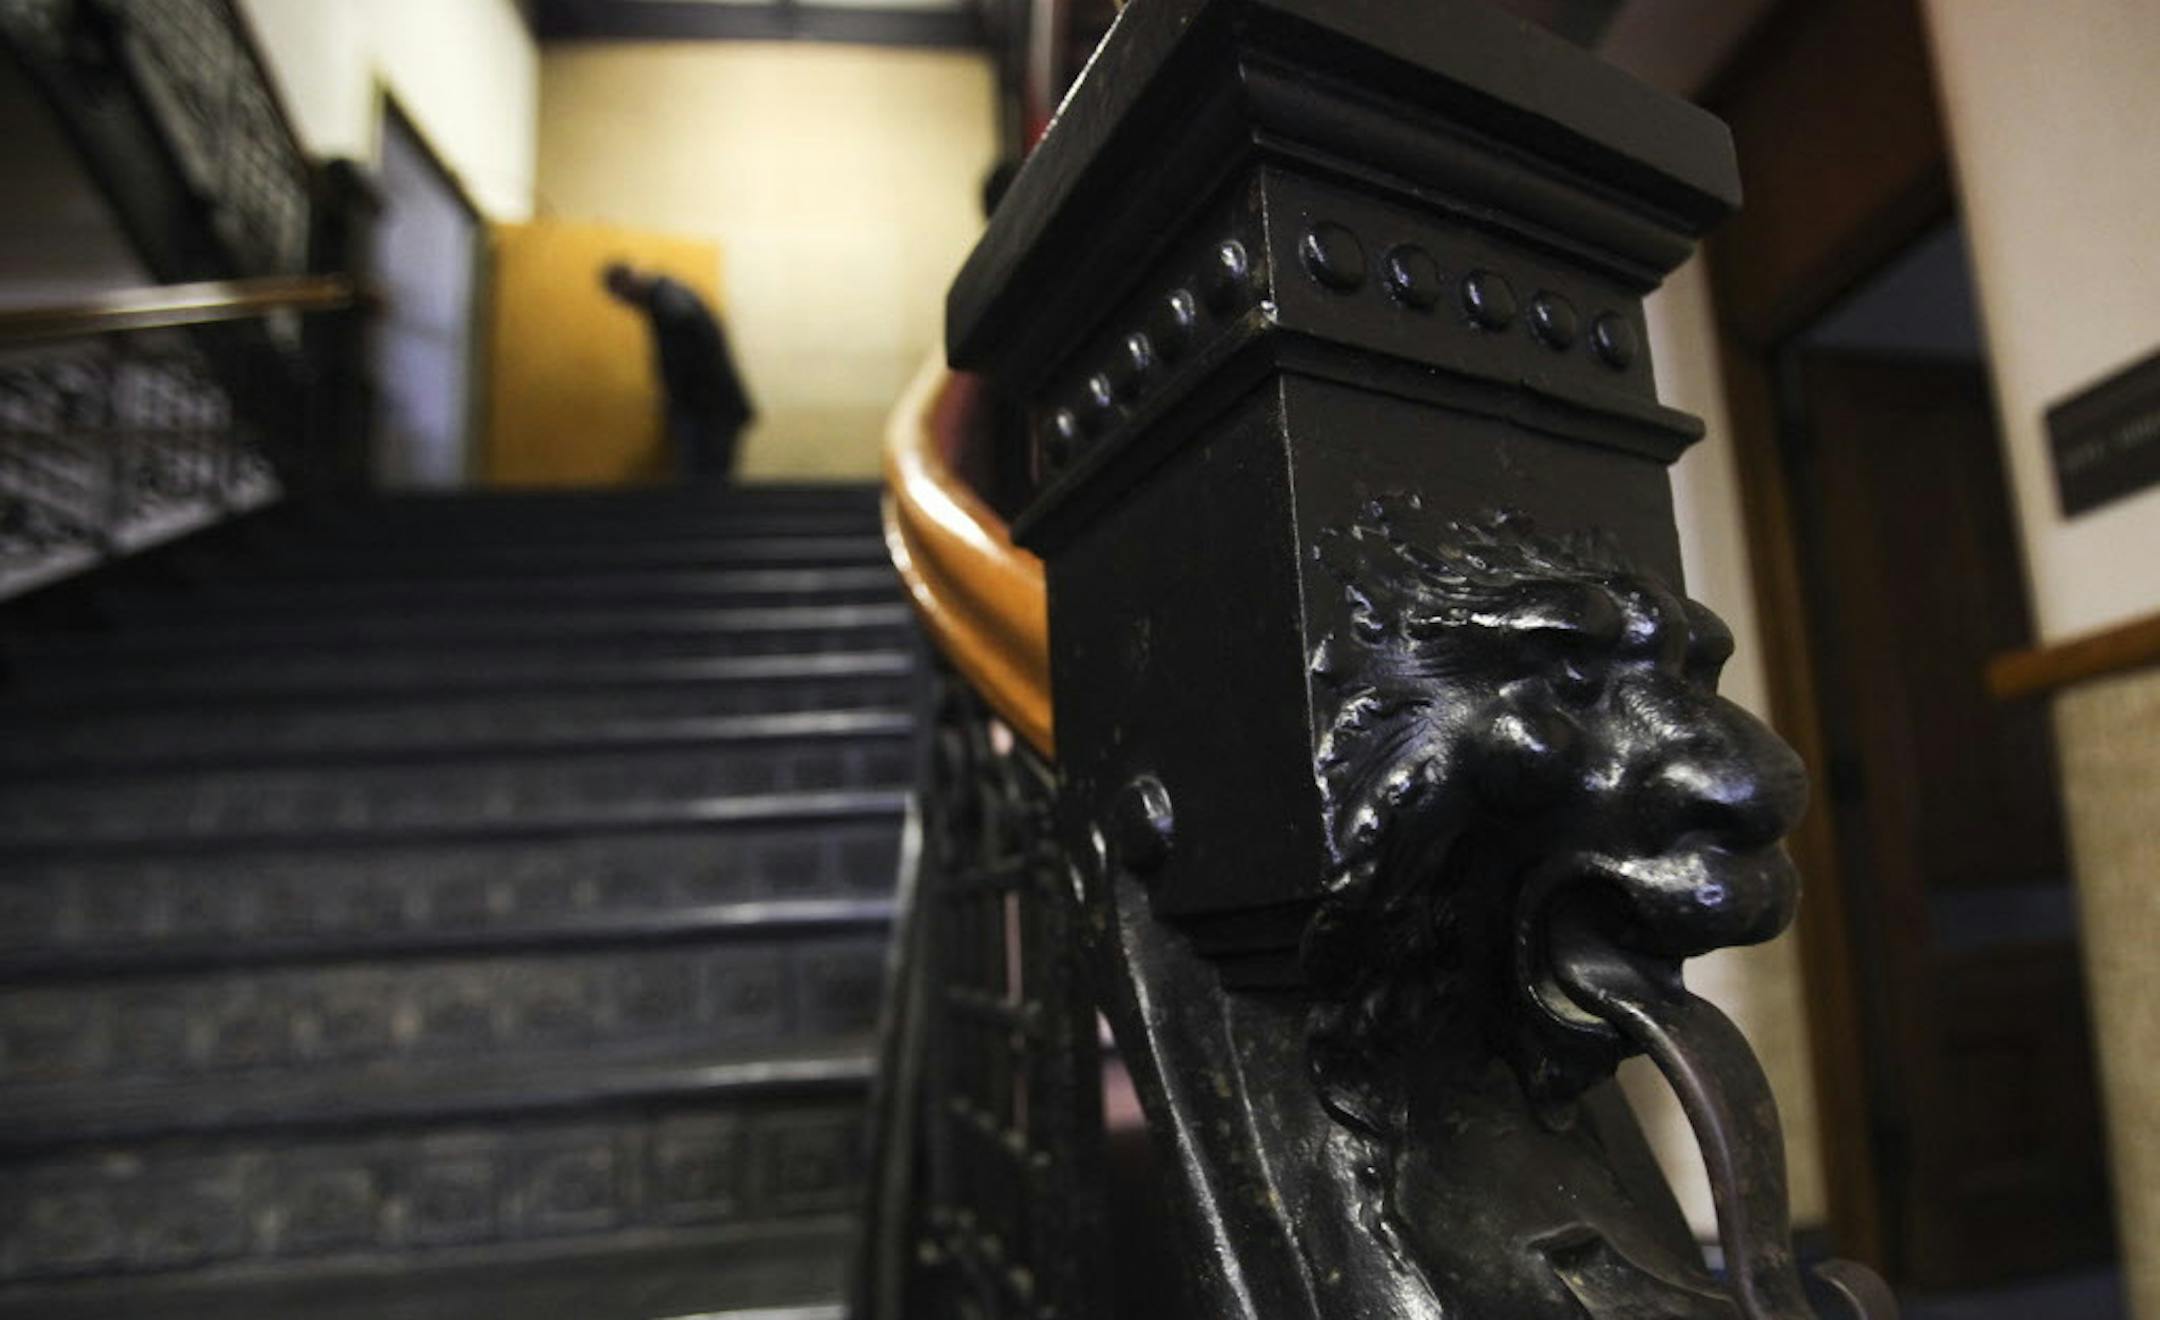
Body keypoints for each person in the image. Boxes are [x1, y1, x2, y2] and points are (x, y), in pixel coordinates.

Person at [601, 262, 755, 482]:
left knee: (704, 481)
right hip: (711, 406)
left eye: (623, 296)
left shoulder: (669, 302)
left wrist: (676, 397)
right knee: (710, 481)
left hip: (708, 408)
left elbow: (687, 355)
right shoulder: (669, 297)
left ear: (629, 282)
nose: (626, 304)